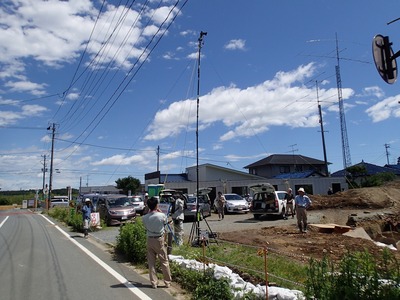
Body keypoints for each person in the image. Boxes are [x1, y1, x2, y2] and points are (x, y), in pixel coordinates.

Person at [142, 196, 172, 289]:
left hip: (149, 239)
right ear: (156, 205)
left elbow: (146, 222)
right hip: (159, 239)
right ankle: (167, 282)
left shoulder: (144, 217)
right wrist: (159, 211)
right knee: (164, 261)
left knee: (151, 262)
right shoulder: (161, 215)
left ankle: (154, 283)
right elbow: (166, 222)